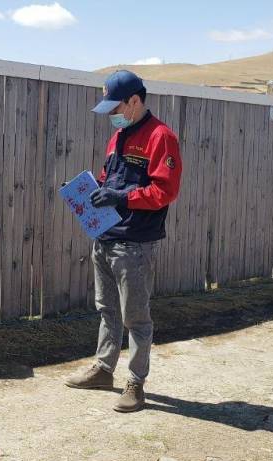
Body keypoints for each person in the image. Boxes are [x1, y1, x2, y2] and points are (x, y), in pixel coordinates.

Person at [64, 70, 183, 412]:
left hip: (135, 243)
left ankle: (135, 383)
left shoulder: (162, 137)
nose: (112, 115)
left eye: (116, 106)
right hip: (105, 236)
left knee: (136, 318)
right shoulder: (118, 136)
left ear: (134, 101)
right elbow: (108, 178)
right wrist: (92, 191)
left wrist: (121, 197)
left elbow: (165, 192)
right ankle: (103, 369)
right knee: (107, 309)